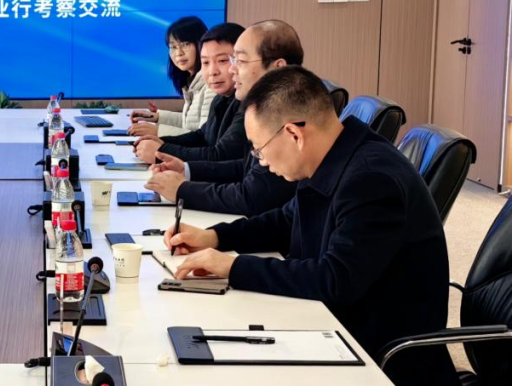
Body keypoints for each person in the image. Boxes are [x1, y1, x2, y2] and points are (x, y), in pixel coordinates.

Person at [165, 66, 457, 386]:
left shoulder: (371, 179)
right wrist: (215, 236)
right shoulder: (332, 154)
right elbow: (287, 220)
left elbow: (335, 280)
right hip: (337, 327)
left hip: (376, 356)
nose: (261, 161)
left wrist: (233, 267)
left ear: (294, 134)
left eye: (259, 149)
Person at [144, 20, 302, 216]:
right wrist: (186, 168)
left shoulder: (286, 115)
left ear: (277, 68)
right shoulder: (237, 102)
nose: (232, 70)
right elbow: (244, 166)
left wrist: (182, 189)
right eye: (206, 62)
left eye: (238, 61)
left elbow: (251, 195)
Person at [133, 23, 247, 164]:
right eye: (206, 62)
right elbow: (202, 136)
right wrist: (162, 141)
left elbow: (221, 155)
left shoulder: (248, 103)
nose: (212, 71)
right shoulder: (220, 98)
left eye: (223, 61)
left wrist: (161, 150)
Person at [129, 16, 215, 135]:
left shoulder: (212, 85)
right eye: (173, 47)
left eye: (185, 44)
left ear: (201, 44)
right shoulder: (193, 82)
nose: (179, 53)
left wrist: (158, 131)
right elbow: (190, 123)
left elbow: (202, 136)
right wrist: (157, 117)